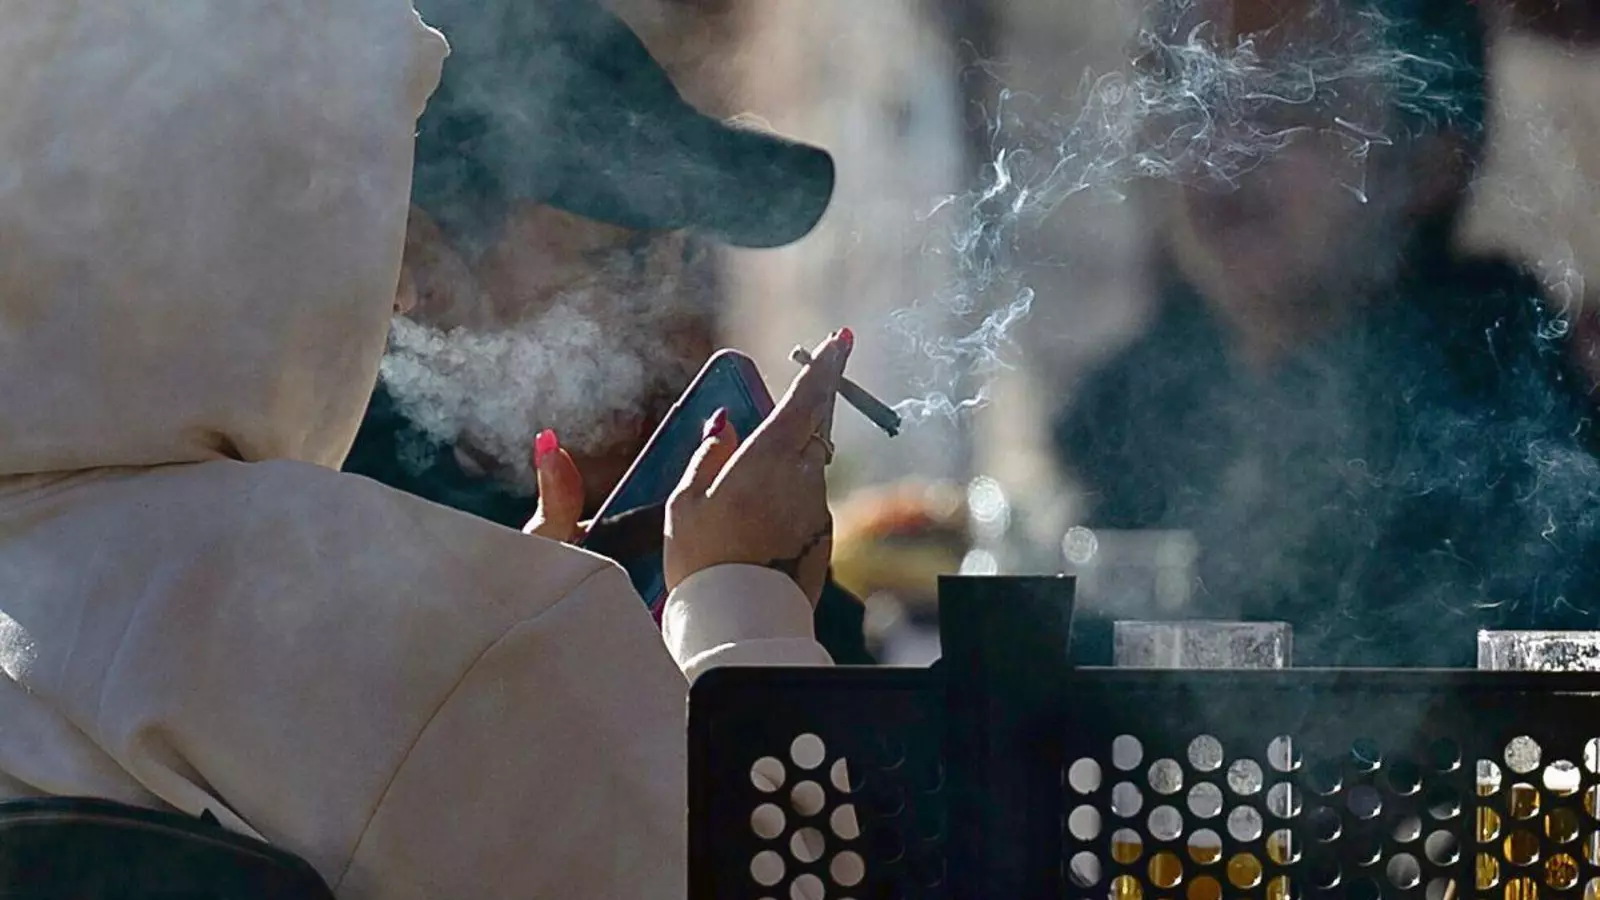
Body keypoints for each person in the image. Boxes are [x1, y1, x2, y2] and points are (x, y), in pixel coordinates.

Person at [0, 2, 853, 898]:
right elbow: (776, 881)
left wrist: (515, 628)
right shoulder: (357, 609)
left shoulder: (37, 567)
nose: (400, 293)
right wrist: (740, 612)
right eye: (622, 260)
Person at [1052, 0, 1600, 667]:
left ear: (1431, 161)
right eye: (1196, 96)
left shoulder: (1515, 459)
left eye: (1296, 97)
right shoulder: (1133, 431)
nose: (1225, 145)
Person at [343, 0, 872, 661]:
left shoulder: (670, 498)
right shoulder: (331, 525)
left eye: (682, 254)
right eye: (619, 261)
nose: (665, 306)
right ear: (424, 260)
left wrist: (770, 591)